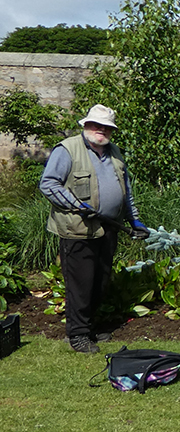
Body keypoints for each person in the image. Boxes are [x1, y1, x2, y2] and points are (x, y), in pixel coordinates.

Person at [39, 104, 148, 353]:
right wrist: (76, 205)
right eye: (96, 125)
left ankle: (89, 328)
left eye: (107, 127)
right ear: (85, 125)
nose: (101, 130)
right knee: (81, 283)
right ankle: (77, 335)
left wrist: (135, 221)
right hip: (77, 228)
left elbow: (125, 191)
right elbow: (48, 184)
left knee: (100, 280)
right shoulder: (67, 149)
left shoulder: (114, 152)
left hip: (108, 228)